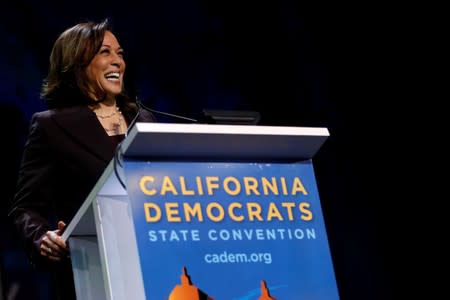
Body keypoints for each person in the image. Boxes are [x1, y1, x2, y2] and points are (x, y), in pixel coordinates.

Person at [8, 19, 156, 300]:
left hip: (151, 266)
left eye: (120, 53)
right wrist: (42, 238)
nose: (117, 62)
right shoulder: (52, 126)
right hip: (90, 272)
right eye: (105, 52)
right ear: (77, 63)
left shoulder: (143, 119)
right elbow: (25, 208)